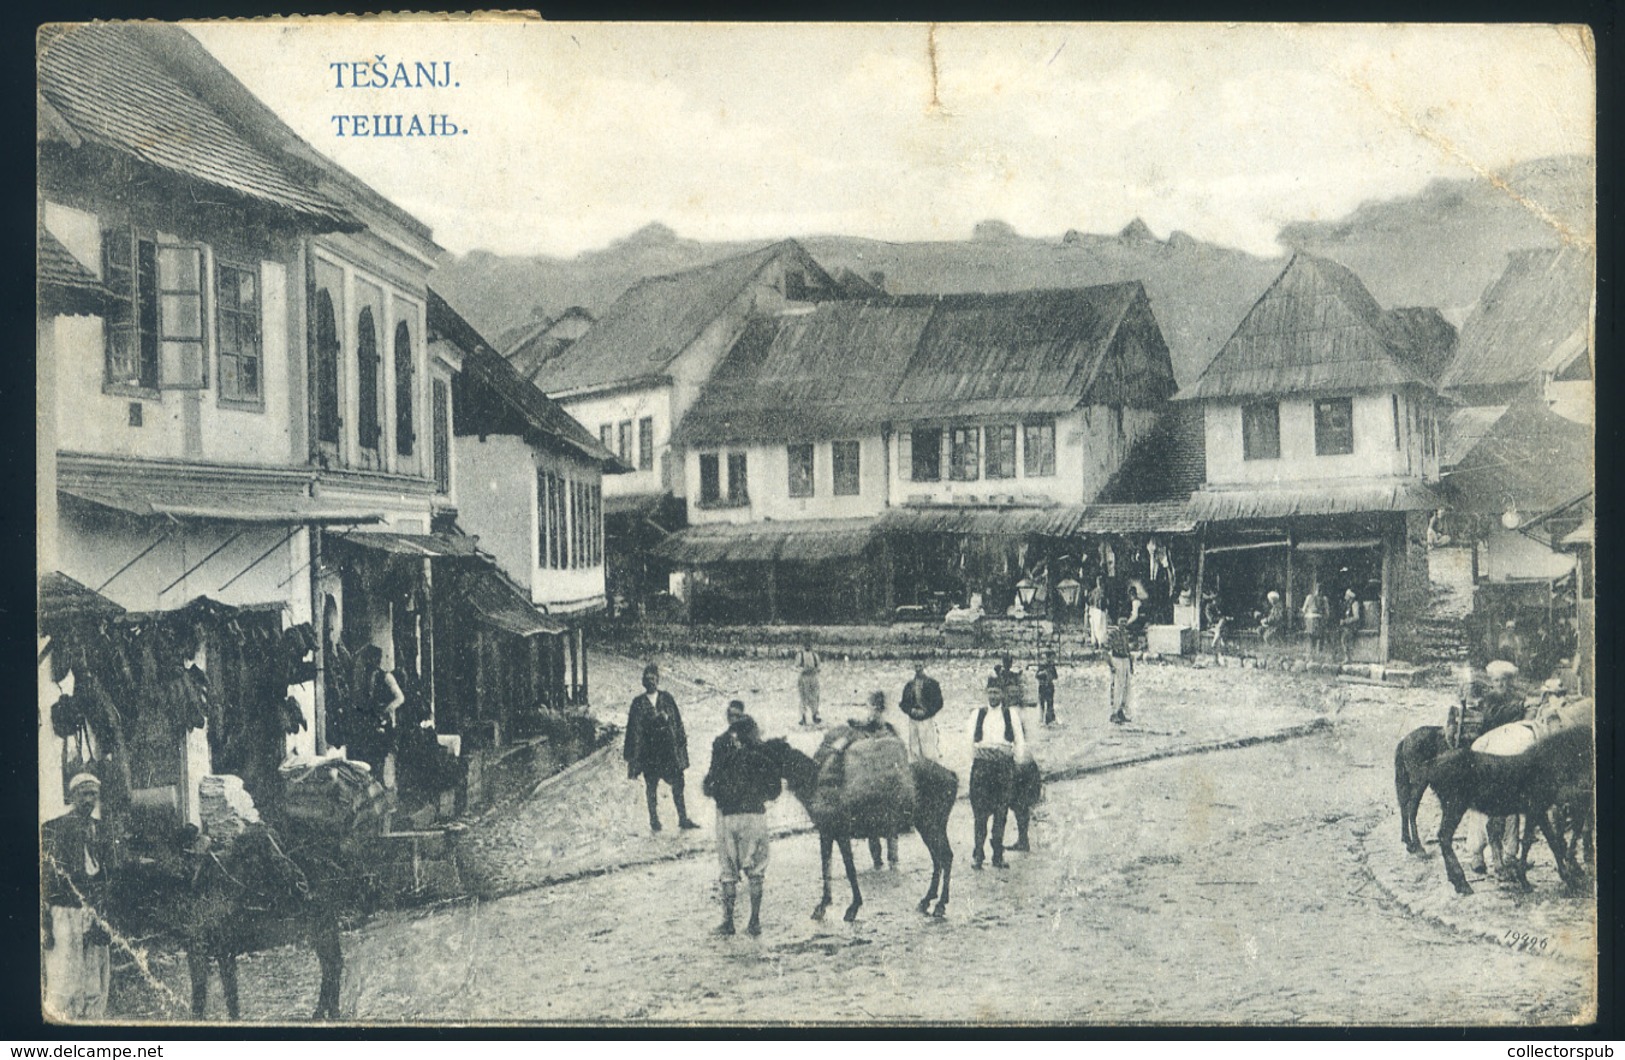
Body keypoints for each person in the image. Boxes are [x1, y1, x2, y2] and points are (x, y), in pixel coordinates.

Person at [702, 702, 781, 936]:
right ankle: (754, 921)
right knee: (756, 870)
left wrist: (725, 797)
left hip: (728, 818)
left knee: (727, 871)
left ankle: (728, 922)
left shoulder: (724, 755)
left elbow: (709, 786)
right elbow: (775, 790)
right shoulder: (761, 757)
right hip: (755, 817)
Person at [42, 773, 111, 1021]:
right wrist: (45, 922)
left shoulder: (99, 829)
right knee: (64, 975)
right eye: (84, 794)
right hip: (64, 910)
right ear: (72, 796)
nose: (89, 800)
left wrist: (102, 911)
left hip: (92, 909)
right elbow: (46, 877)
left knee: (93, 978)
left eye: (94, 794)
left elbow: (104, 873)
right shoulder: (54, 828)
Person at [625, 663, 699, 833]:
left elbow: (677, 723)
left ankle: (683, 818)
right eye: (648, 679)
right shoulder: (638, 703)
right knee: (651, 787)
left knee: (678, 783)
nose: (651, 682)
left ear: (658, 680)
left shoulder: (667, 699)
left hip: (668, 752)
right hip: (650, 754)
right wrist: (633, 758)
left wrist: (681, 745)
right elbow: (633, 731)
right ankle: (654, 821)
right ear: (643, 682)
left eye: (653, 678)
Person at [967, 677, 1025, 869]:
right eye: (990, 692)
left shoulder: (1011, 715)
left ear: (1002, 694)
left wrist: (1015, 763)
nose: (993, 696)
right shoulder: (978, 714)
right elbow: (968, 743)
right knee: (980, 814)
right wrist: (976, 760)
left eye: (996, 692)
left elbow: (1019, 742)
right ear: (986, 693)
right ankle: (978, 854)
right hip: (982, 768)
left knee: (1001, 813)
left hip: (1003, 768)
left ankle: (998, 855)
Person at [856, 691, 900, 869]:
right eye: (872, 709)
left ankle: (892, 860)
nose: (874, 713)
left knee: (888, 824)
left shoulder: (889, 730)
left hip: (884, 781)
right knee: (872, 825)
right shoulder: (864, 729)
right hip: (871, 782)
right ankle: (879, 860)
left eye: (877, 710)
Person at [350, 645, 404, 779]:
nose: (369, 663)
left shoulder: (386, 677)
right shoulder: (363, 678)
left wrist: (386, 709)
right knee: (365, 759)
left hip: (381, 722)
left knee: (379, 758)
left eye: (372, 660)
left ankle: (380, 787)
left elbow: (400, 698)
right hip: (367, 722)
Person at [899, 659, 945, 762]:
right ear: (913, 667)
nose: (918, 668)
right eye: (916, 666)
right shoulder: (909, 685)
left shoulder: (932, 684)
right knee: (914, 751)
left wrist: (927, 712)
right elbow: (903, 703)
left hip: (926, 720)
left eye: (920, 666)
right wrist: (911, 711)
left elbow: (939, 703)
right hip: (913, 721)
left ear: (924, 665)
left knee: (928, 751)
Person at [1106, 618, 1135, 724]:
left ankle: (1121, 712)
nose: (1123, 623)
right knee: (1117, 686)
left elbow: (1128, 650)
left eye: (1125, 621)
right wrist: (1111, 665)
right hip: (1117, 660)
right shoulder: (1113, 633)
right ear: (1117, 622)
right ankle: (1113, 713)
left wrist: (1131, 666)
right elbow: (1105, 650)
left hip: (1125, 660)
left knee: (1126, 688)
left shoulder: (1125, 634)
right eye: (1121, 621)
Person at [795, 640, 822, 727]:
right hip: (804, 678)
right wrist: (803, 670)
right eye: (806, 645)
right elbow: (797, 666)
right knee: (803, 698)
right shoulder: (800, 655)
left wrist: (815, 670)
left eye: (809, 645)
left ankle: (814, 716)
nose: (808, 646)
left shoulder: (815, 655)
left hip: (813, 678)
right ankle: (803, 718)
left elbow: (818, 667)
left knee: (815, 697)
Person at [1338, 589, 1362, 664]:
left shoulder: (1355, 604)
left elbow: (1356, 617)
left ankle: (1348, 658)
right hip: (1349, 626)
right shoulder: (1348, 605)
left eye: (1346, 596)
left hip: (1353, 626)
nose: (1345, 597)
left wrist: (1345, 621)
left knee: (1344, 637)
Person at [1036, 650, 1060, 726]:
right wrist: (1043, 674)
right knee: (1042, 703)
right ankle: (1041, 719)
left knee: (1050, 703)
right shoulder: (1042, 665)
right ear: (1048, 657)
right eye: (1052, 658)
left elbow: (1056, 676)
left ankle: (1049, 719)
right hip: (1043, 687)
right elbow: (1037, 675)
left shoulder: (1052, 666)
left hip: (1049, 687)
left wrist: (1051, 675)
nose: (1052, 660)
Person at [1301, 586, 1327, 654]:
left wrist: (1306, 613)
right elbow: (1327, 612)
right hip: (1319, 619)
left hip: (1310, 619)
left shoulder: (1309, 597)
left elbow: (1304, 609)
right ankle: (1318, 653)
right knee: (1320, 637)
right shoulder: (1324, 599)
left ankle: (1311, 654)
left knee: (1311, 638)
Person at [1086, 577, 1109, 649]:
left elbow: (1089, 601)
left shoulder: (1095, 592)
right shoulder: (1098, 592)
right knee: (1099, 627)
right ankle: (1099, 643)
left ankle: (1097, 642)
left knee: (1097, 627)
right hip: (1098, 610)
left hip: (1097, 610)